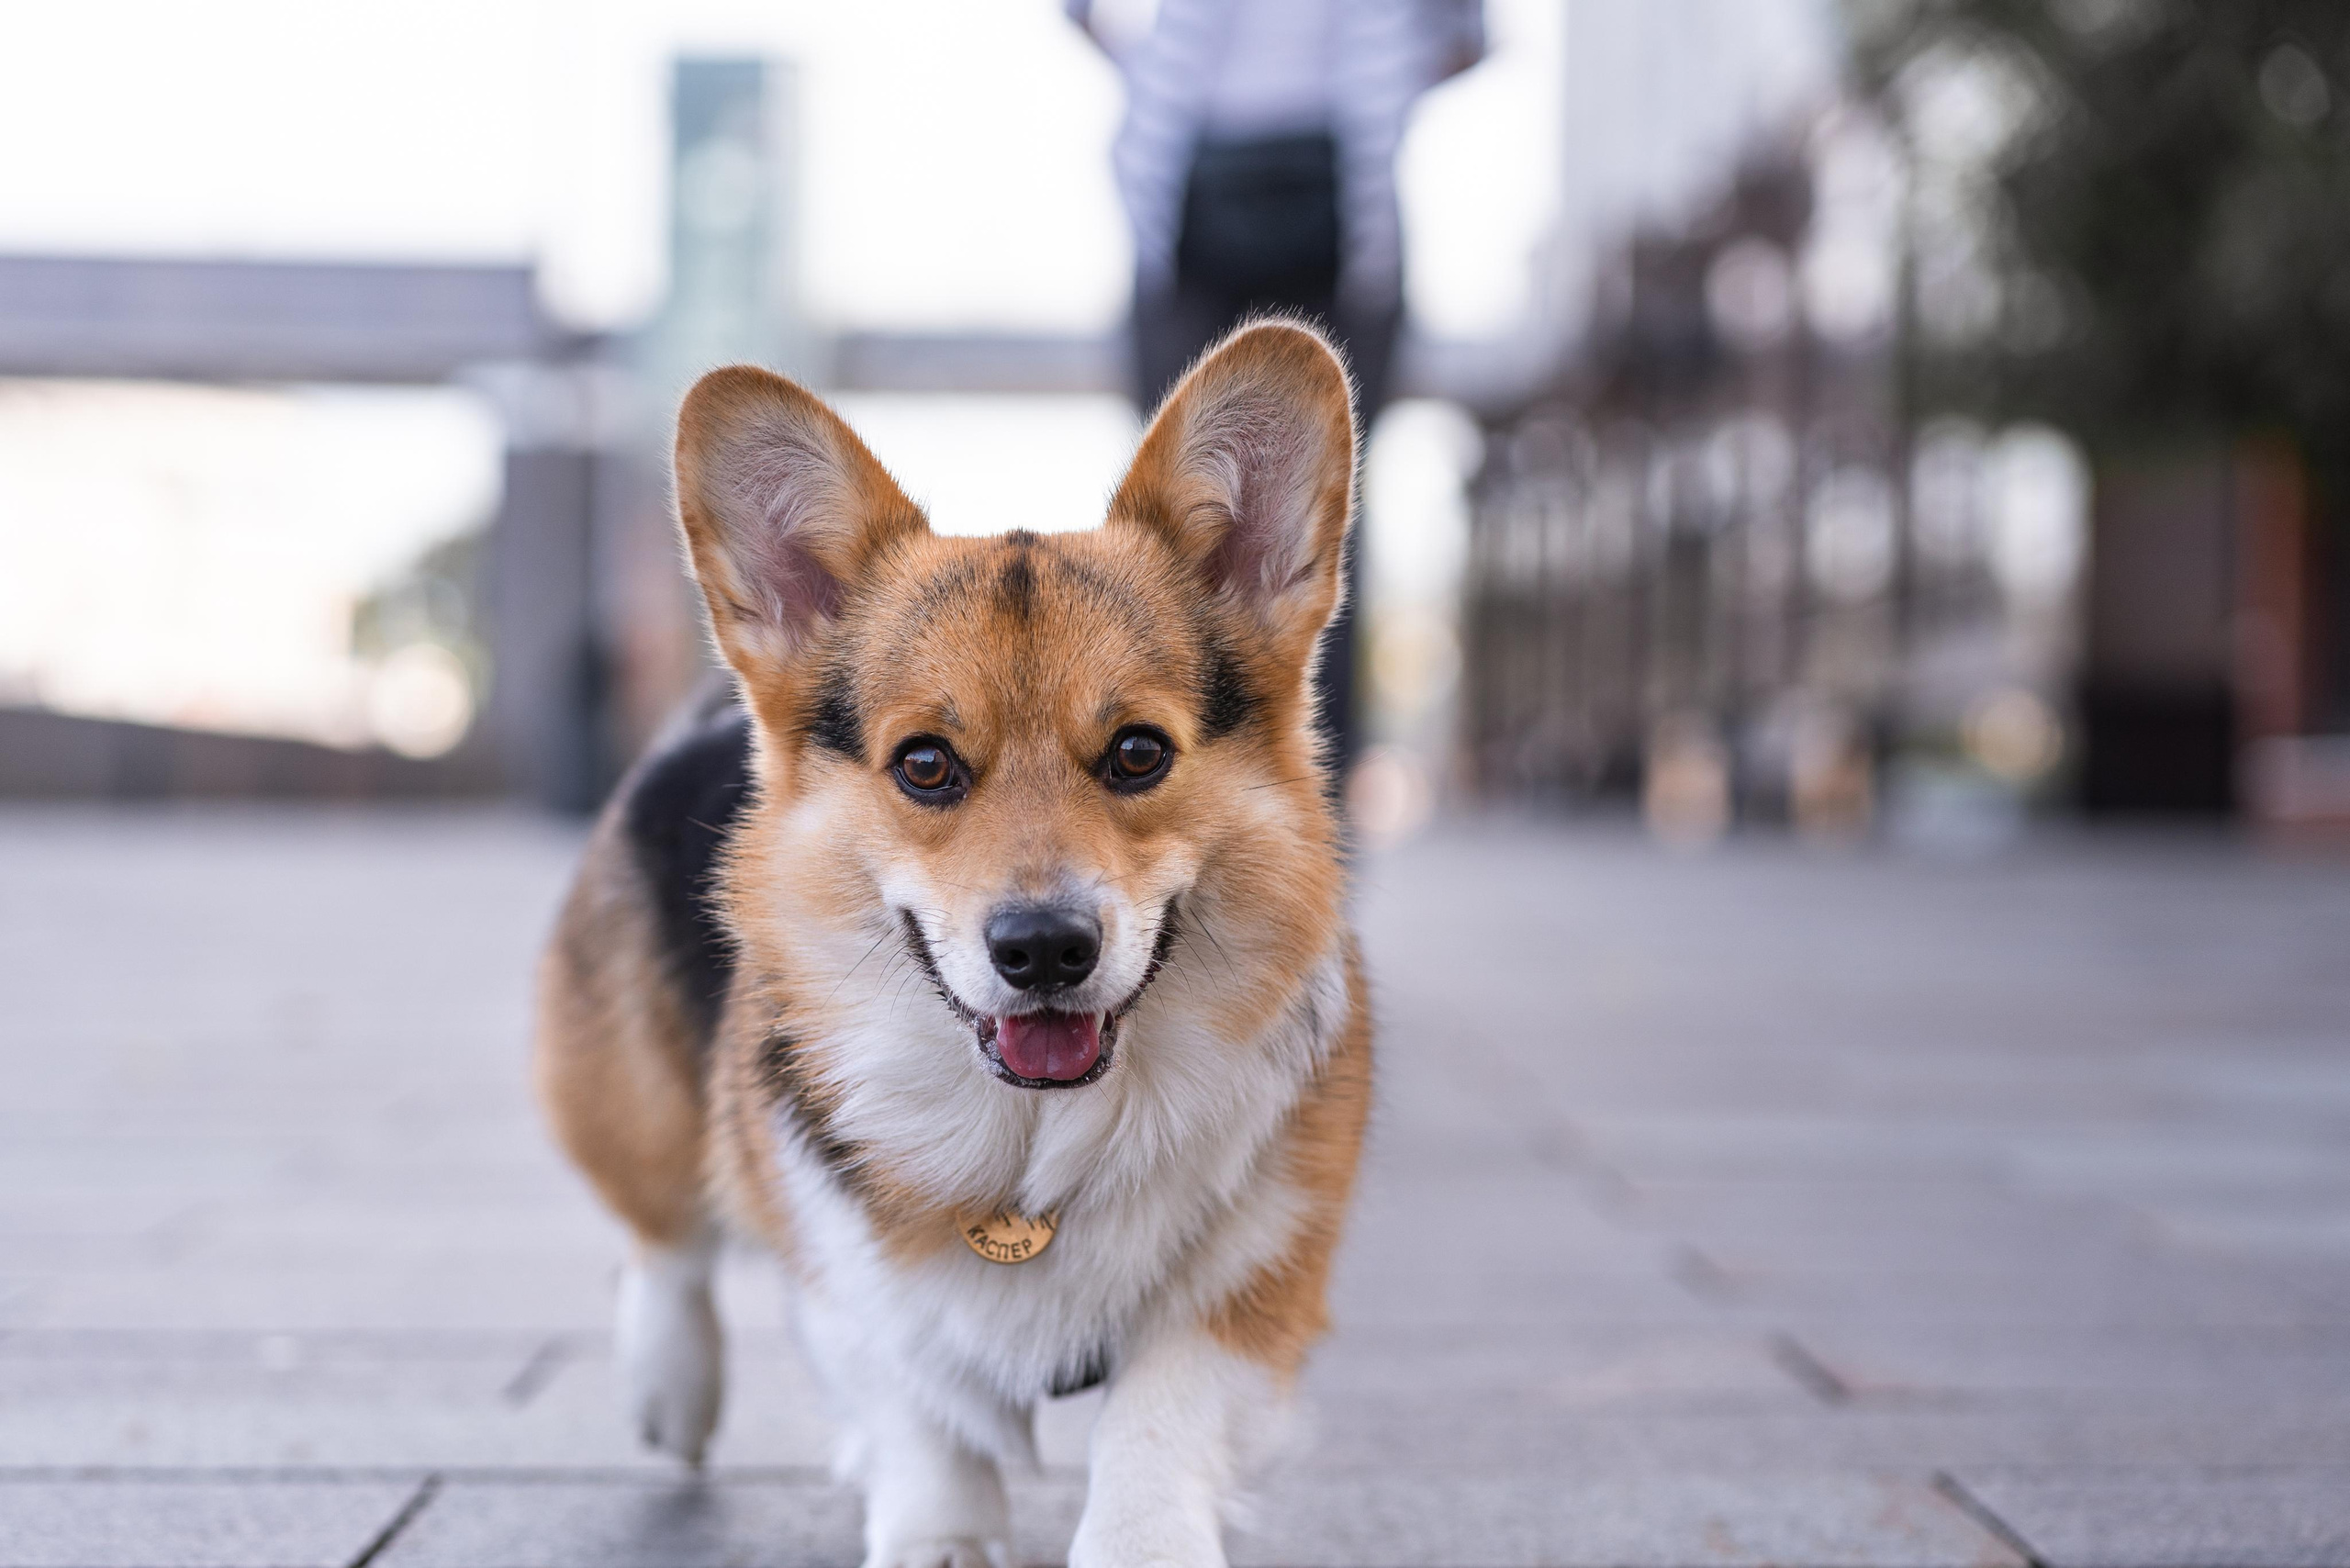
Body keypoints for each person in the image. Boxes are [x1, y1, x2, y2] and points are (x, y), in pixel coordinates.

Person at [1069, 0, 1484, 770]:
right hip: (1203, 188)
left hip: (1330, 196)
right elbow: (1465, 40)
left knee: (1308, 532)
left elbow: (1467, 36)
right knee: (1173, 531)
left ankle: (1307, 827)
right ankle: (1160, 788)